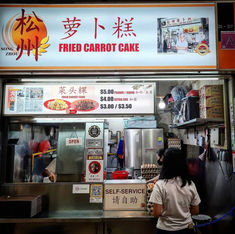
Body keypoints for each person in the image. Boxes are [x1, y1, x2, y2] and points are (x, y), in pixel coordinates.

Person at [149, 148, 201, 234]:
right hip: (186, 228)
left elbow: (156, 213)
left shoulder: (160, 185)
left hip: (165, 229)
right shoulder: (190, 184)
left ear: (166, 163)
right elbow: (195, 211)